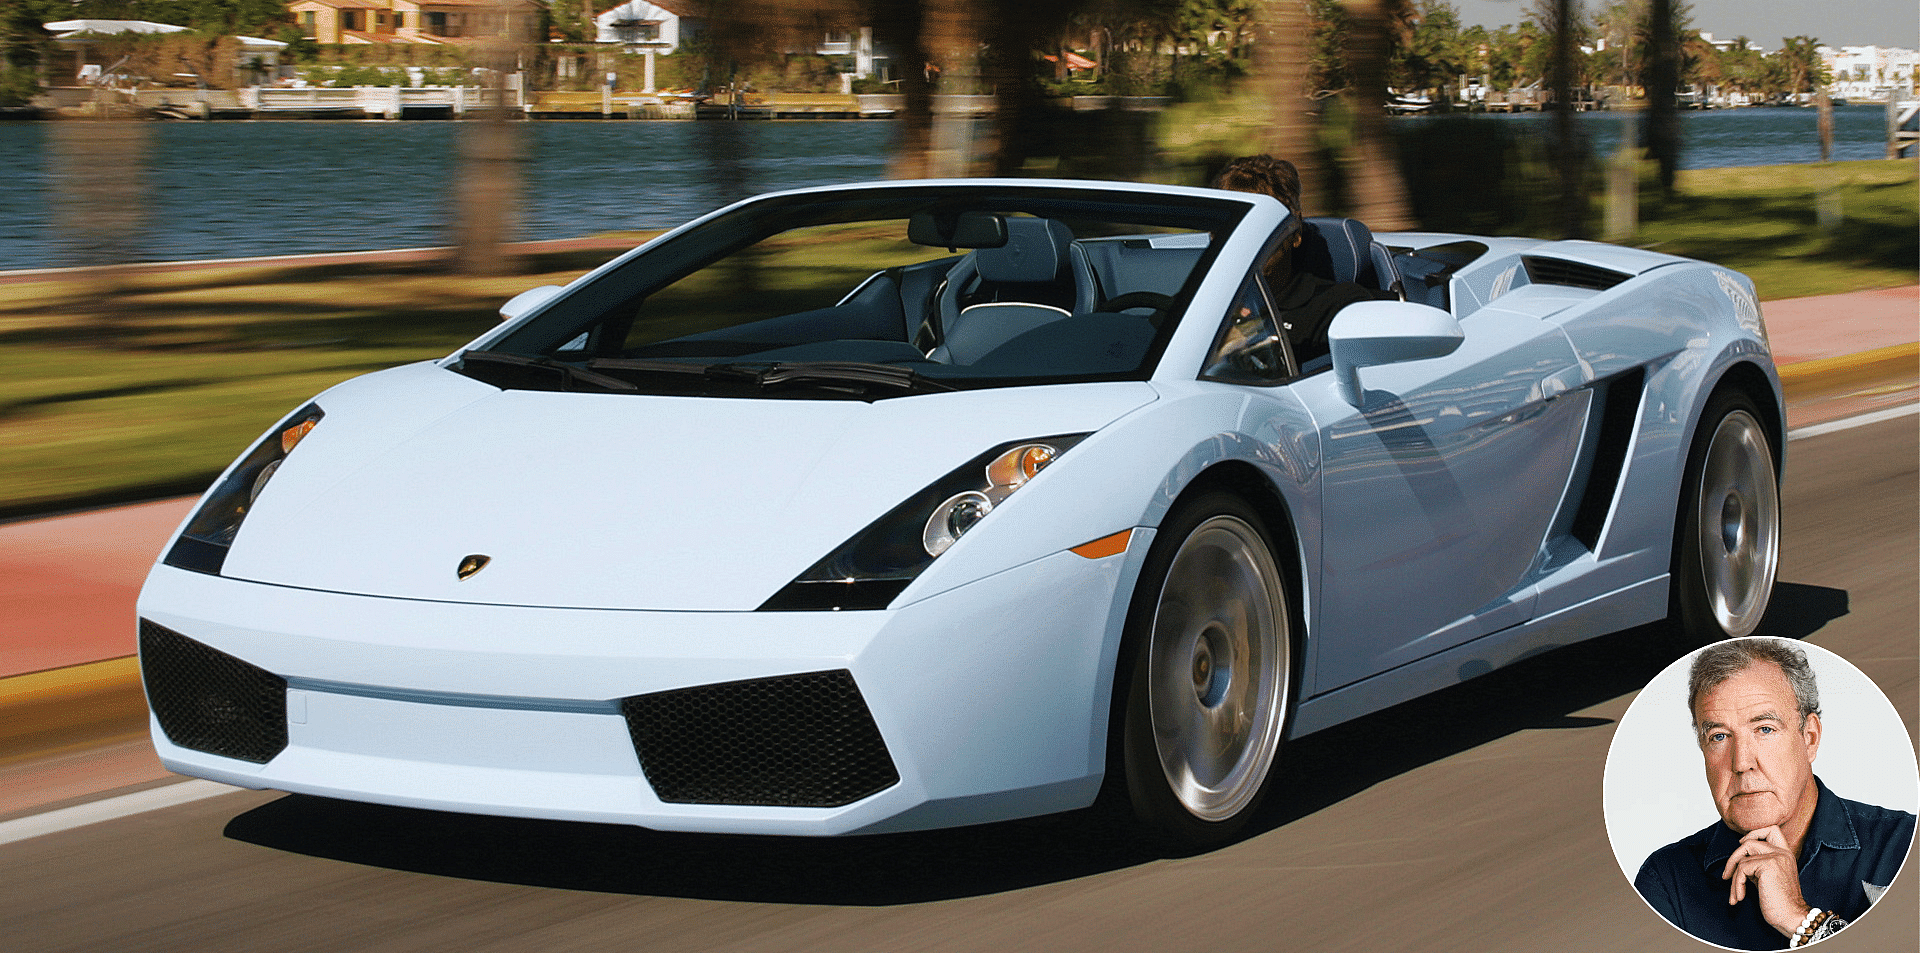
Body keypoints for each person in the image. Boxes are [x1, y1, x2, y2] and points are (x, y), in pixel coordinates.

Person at [1633, 639, 1916, 950]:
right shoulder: (1667, 881)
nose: (1741, 763)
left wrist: (1799, 919)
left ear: (1809, 738)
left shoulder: (1903, 845)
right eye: (1719, 736)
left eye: (1764, 729)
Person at [1210, 154, 1397, 364]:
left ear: (1295, 232)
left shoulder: (1339, 306)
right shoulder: (1196, 304)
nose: (1242, 238)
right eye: (1229, 224)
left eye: (1256, 225)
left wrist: (1250, 337)